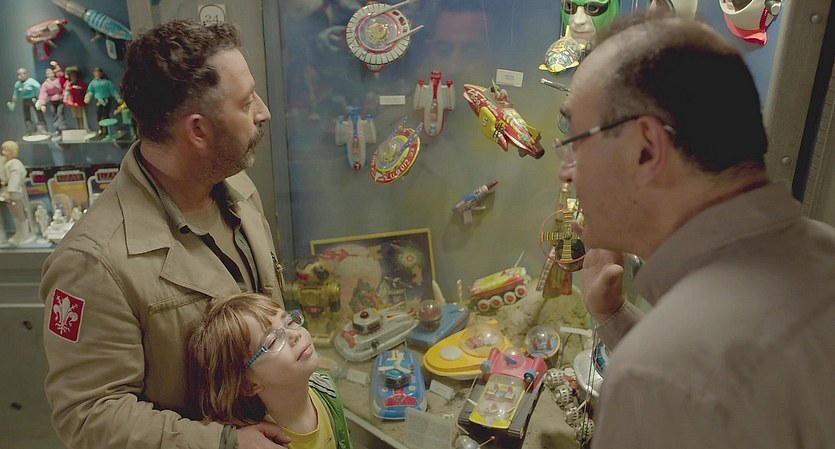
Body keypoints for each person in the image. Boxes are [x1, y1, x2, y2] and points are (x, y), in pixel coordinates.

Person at [555, 13, 835, 449]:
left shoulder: (657, 376)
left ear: (645, 150)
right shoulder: (821, 250)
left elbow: (684, 375)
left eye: (574, 140)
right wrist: (611, 314)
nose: (566, 172)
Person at [40, 19, 290, 449]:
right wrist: (223, 443)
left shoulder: (238, 191)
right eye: (247, 101)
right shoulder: (93, 262)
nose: (263, 112)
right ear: (198, 130)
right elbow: (87, 415)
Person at [187, 293, 352, 449]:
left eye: (289, 322)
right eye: (273, 341)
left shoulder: (326, 387)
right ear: (248, 385)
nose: (294, 334)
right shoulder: (261, 443)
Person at [0, 140, 35, 245]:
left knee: (19, 213)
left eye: (6, 150)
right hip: (7, 191)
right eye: (3, 149)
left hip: (14, 192)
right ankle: (19, 233)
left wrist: (10, 190)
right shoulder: (6, 162)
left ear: (12, 151)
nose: (3, 152)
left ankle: (24, 234)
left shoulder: (15, 163)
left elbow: (15, 178)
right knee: (14, 214)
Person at [84, 67, 122, 140]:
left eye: (98, 72)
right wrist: (87, 97)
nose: (97, 74)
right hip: (98, 101)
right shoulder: (93, 83)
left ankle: (107, 131)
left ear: (101, 73)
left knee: (106, 115)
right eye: (96, 73)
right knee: (99, 115)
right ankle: (101, 130)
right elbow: (90, 91)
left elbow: (113, 91)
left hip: (106, 100)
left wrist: (118, 98)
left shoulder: (107, 82)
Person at [8, 67, 48, 136]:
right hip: (25, 100)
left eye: (22, 74)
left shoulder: (31, 81)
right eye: (19, 74)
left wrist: (41, 100)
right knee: (27, 115)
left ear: (25, 74)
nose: (21, 76)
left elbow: (40, 89)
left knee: (39, 114)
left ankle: (43, 129)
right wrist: (13, 102)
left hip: (33, 99)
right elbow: (15, 94)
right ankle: (29, 130)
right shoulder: (18, 84)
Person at [37, 61, 68, 136]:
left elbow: (61, 75)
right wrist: (42, 104)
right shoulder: (45, 84)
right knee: (54, 115)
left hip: (60, 100)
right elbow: (43, 94)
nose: (50, 74)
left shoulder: (59, 80)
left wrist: (56, 66)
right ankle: (57, 130)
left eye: (51, 73)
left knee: (60, 113)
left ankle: (62, 128)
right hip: (52, 101)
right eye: (48, 73)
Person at [62, 65, 88, 130]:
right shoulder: (68, 83)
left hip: (79, 100)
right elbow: (66, 90)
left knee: (80, 114)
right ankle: (77, 127)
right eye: (72, 76)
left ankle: (82, 127)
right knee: (75, 115)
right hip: (72, 100)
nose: (73, 77)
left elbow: (84, 88)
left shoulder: (80, 83)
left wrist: (78, 88)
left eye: (74, 76)